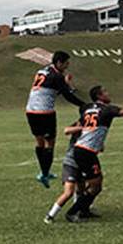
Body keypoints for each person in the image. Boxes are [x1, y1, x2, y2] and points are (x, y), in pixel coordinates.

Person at [62, 86, 123, 222]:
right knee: (95, 185)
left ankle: (84, 210)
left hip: (82, 149)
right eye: (105, 92)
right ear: (99, 96)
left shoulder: (86, 108)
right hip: (86, 151)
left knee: (96, 184)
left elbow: (83, 117)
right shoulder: (108, 109)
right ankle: (72, 212)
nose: (108, 94)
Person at [25, 51, 87, 188]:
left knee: (40, 142)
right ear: (59, 62)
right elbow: (67, 95)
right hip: (44, 112)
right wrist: (83, 105)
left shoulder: (42, 71)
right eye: (66, 63)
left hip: (30, 110)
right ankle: (45, 174)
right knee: (50, 143)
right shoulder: (57, 76)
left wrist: (65, 83)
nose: (67, 66)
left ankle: (43, 172)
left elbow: (51, 89)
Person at [44, 114, 85, 223]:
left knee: (81, 189)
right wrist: (82, 128)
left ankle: (76, 211)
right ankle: (50, 215)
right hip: (71, 162)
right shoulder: (80, 124)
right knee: (68, 192)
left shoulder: (93, 128)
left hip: (83, 162)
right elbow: (66, 130)